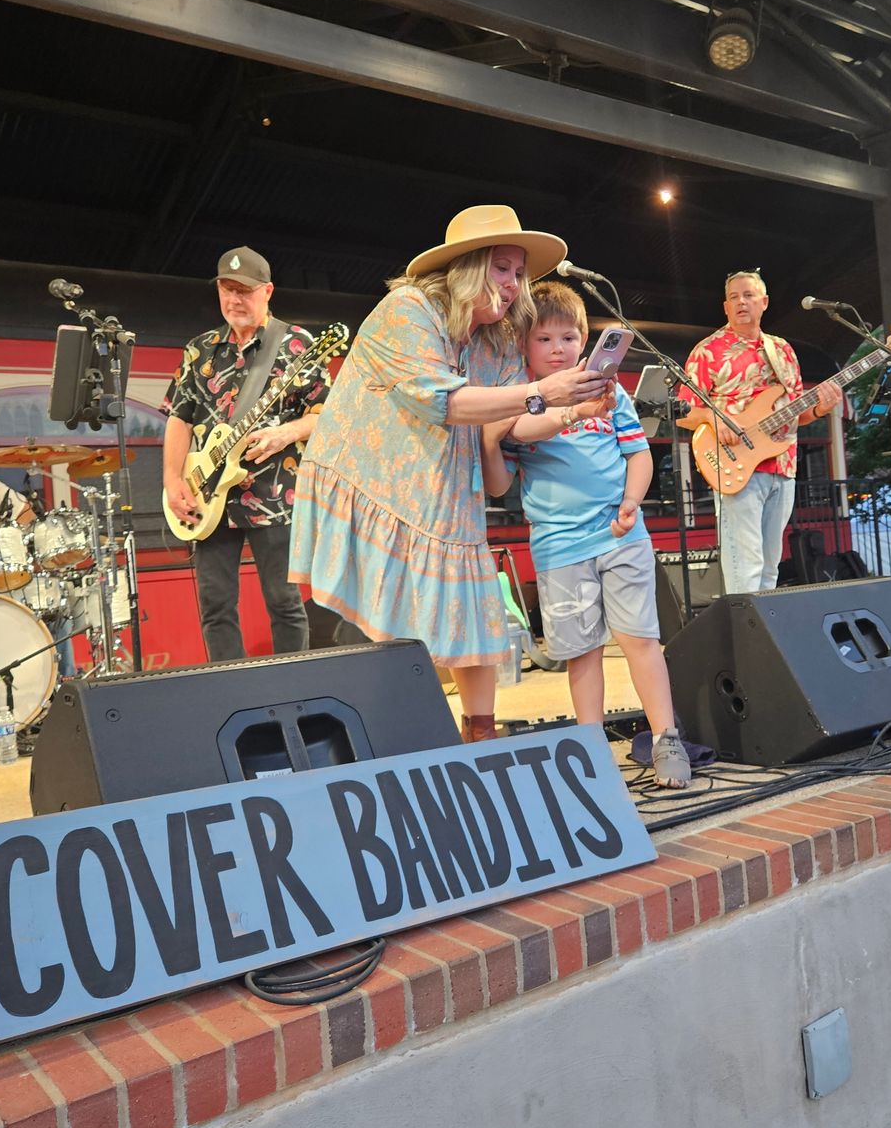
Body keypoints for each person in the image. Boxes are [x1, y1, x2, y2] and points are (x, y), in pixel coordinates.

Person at [288, 204, 607, 742]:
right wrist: (541, 392)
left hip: (447, 494)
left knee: (474, 626)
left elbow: (512, 421)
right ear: (467, 267)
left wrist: (574, 409)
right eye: (501, 268)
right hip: (381, 487)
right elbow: (442, 400)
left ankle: (479, 737)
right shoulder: (407, 309)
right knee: (391, 628)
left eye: (519, 273)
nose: (513, 284)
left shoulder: (498, 339)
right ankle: (387, 742)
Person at [481, 282, 692, 788]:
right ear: (524, 345)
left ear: (584, 342)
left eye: (569, 337)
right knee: (583, 651)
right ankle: (591, 750)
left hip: (622, 537)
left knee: (641, 640)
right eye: (544, 339)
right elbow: (501, 480)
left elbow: (638, 454)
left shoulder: (609, 393)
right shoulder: (521, 401)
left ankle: (666, 738)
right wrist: (493, 438)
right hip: (559, 547)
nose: (558, 348)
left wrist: (631, 501)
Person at [162, 246, 329, 662]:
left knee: (284, 602)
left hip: (273, 492)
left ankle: (293, 688)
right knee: (215, 606)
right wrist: (172, 480)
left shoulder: (297, 344)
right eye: (227, 289)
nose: (234, 299)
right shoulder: (200, 349)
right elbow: (179, 418)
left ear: (267, 291)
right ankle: (230, 688)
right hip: (207, 493)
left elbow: (328, 414)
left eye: (244, 291)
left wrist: (286, 432)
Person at [677, 268, 842, 594]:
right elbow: (682, 412)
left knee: (769, 565)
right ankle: (744, 625)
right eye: (734, 297)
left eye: (748, 295)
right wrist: (715, 419)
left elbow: (795, 414)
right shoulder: (708, 350)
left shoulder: (782, 350)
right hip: (737, 467)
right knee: (746, 564)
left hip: (783, 466)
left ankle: (761, 624)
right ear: (726, 307)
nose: (741, 302)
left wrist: (820, 409)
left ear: (764, 302)